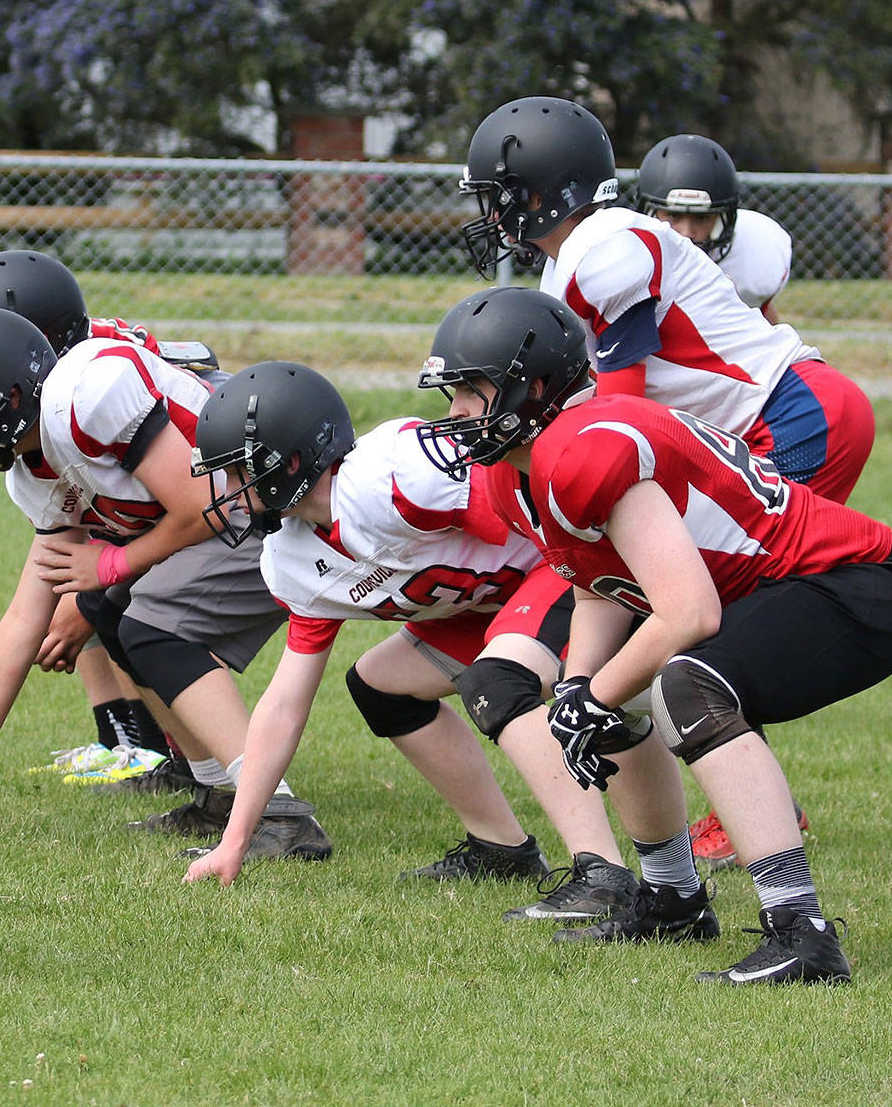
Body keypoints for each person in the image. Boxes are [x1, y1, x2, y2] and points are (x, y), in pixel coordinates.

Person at [416, 285, 892, 984]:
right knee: (608, 699)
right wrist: (578, 689)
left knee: (684, 683)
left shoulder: (582, 449)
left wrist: (594, 693)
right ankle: (673, 900)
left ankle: (801, 934)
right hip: (785, 586)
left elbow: (689, 615)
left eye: (468, 393)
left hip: (857, 581)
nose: (455, 414)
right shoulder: (524, 473)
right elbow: (600, 580)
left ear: (530, 389)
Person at [180, 362, 638, 914]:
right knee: (380, 686)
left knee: (500, 681)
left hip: (563, 567)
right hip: (488, 600)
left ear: (291, 463)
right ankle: (501, 848)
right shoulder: (291, 559)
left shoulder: (393, 476)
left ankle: (602, 873)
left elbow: (540, 510)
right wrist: (235, 841)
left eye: (237, 473)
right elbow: (283, 704)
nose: (227, 493)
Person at [0, 306, 326, 858]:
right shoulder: (33, 474)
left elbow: (203, 506)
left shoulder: (89, 393)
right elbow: (25, 615)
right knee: (113, 614)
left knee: (147, 621)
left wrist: (109, 568)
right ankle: (221, 795)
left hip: (277, 514)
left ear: (8, 401)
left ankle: (277, 812)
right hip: (228, 524)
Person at [458, 96, 872, 506]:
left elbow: (621, 418)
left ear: (536, 198)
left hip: (792, 417)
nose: (491, 214)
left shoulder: (603, 252)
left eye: (497, 196)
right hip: (765, 421)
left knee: (732, 563)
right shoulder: (570, 262)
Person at [635, 134, 792, 322]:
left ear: (722, 219)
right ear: (650, 213)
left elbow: (763, 325)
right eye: (674, 215)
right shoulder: (626, 260)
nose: (686, 233)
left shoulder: (754, 253)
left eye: (701, 217)